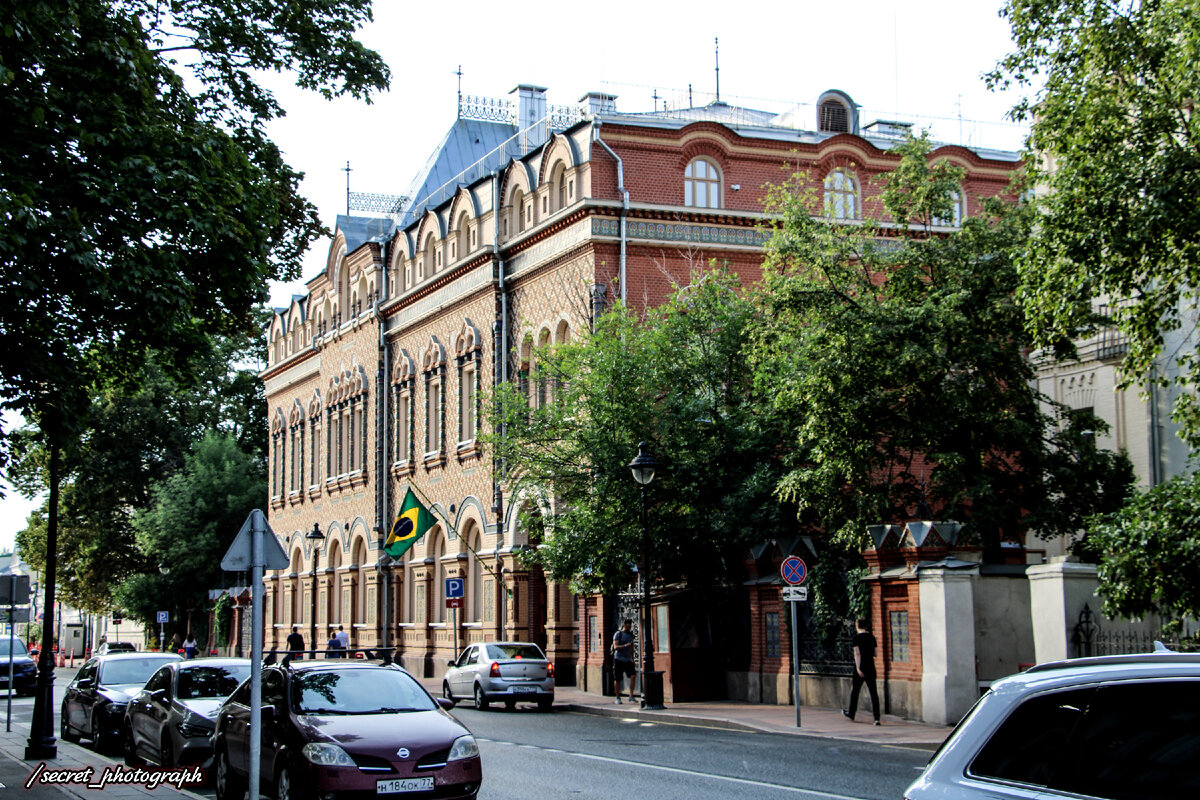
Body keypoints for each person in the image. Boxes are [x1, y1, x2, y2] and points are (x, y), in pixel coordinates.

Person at [843, 618, 881, 725]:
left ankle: (851, 713)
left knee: (855, 691)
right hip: (871, 667)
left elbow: (857, 653)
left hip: (861, 667)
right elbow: (876, 654)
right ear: (866, 626)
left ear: (857, 626)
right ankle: (877, 717)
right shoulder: (872, 637)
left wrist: (858, 668)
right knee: (873, 692)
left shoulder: (856, 638)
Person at [611, 618, 636, 704]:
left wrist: (633, 659)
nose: (629, 629)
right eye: (627, 627)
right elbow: (615, 647)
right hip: (619, 659)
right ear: (623, 625)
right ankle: (617, 697)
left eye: (630, 627)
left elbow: (632, 648)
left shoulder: (631, 635)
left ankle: (631, 696)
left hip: (628, 659)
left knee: (633, 676)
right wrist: (625, 645)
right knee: (617, 679)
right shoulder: (618, 634)